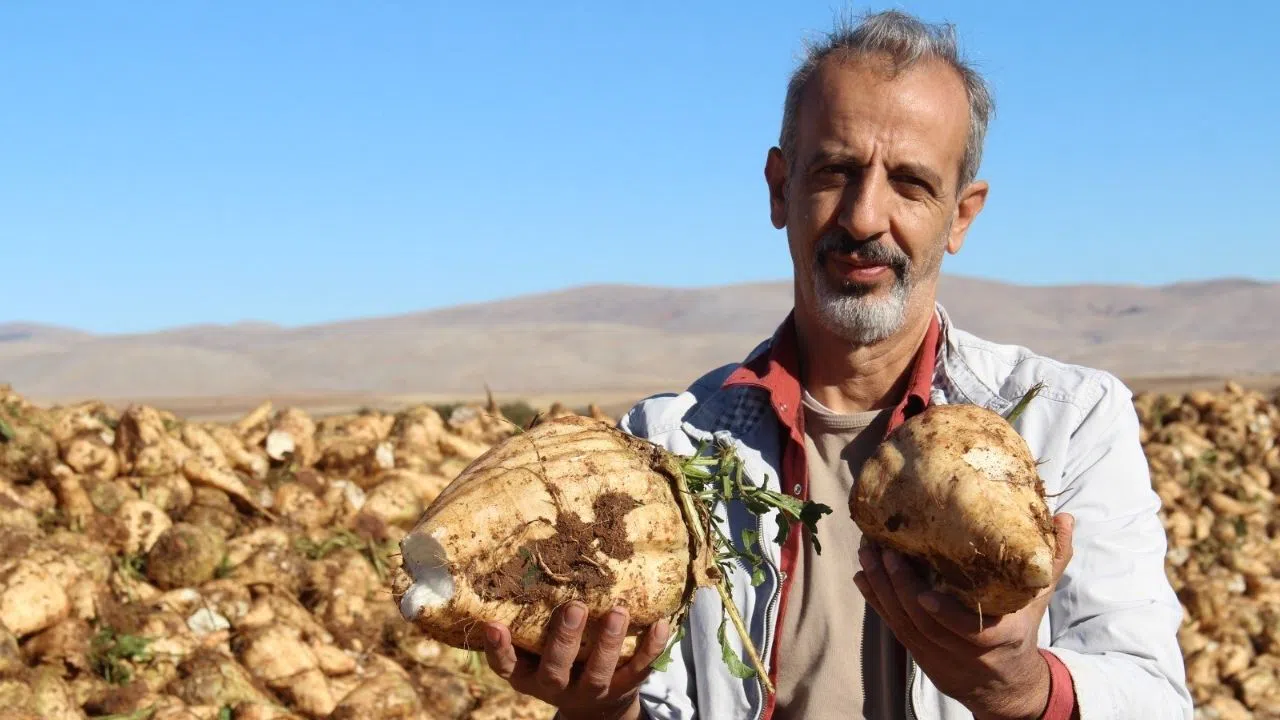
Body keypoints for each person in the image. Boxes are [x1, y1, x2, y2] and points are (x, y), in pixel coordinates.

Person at [479, 9, 1194, 720]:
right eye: (835, 171)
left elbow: (1153, 696)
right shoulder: (668, 447)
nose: (863, 217)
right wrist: (606, 708)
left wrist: (1023, 691)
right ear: (779, 188)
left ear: (961, 215)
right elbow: (657, 699)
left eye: (910, 183)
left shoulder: (1069, 425)